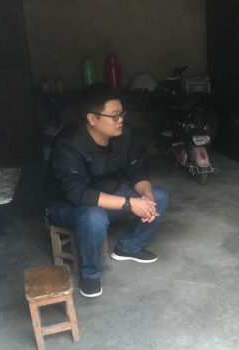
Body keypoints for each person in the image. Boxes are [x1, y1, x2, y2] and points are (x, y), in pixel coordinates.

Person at [45, 83, 169, 298]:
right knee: (94, 217)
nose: (120, 120)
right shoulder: (69, 143)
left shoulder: (123, 135)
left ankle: (129, 247)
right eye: (114, 116)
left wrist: (146, 197)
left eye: (122, 114)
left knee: (159, 196)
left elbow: (136, 170)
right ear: (92, 118)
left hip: (110, 192)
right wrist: (130, 204)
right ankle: (90, 274)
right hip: (66, 204)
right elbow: (79, 194)